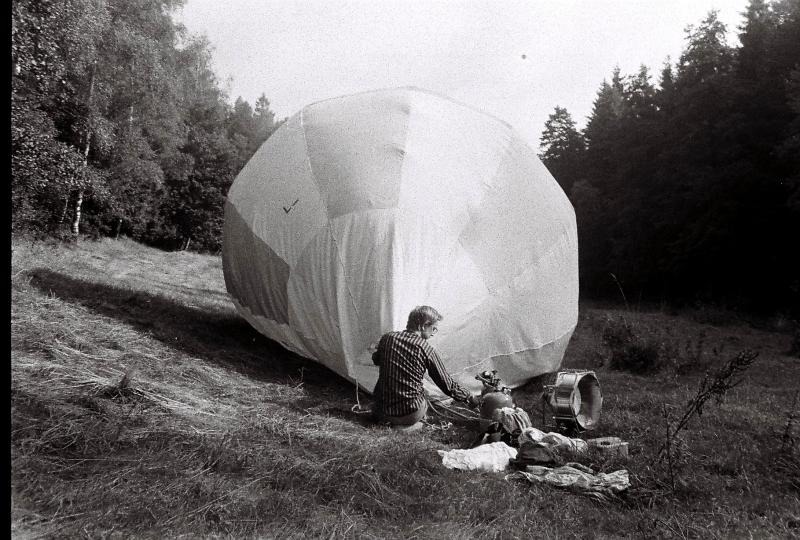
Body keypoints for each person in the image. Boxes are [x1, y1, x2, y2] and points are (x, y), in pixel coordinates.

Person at [371, 305, 479, 430]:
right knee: (424, 395)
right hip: (409, 413)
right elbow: (447, 385)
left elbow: (376, 360)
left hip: (380, 410)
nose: (434, 333)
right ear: (423, 326)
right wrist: (469, 397)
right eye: (434, 328)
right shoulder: (426, 349)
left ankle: (389, 423)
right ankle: (410, 426)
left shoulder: (387, 338)